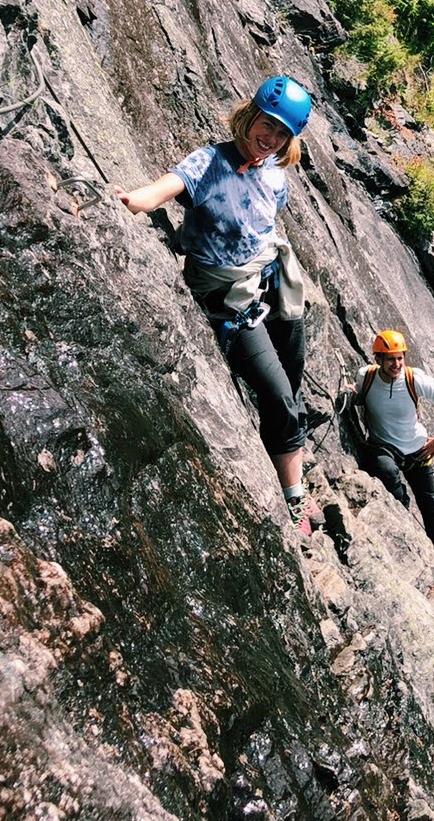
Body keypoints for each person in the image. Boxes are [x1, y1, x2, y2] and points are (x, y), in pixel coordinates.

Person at [116, 75, 318, 527]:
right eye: (266, 125)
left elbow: (263, 222)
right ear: (250, 115)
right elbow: (168, 186)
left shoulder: (275, 174)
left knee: (293, 378)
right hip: (229, 298)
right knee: (279, 393)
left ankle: (287, 447)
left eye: (282, 133)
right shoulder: (211, 161)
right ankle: (294, 496)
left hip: (269, 280)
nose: (270, 138)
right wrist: (136, 199)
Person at [353, 330, 434, 566]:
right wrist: (353, 395)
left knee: (430, 505)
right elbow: (361, 396)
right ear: (378, 359)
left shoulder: (413, 379)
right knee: (386, 470)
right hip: (384, 446)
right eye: (391, 359)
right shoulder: (366, 377)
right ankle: (401, 506)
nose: (397, 364)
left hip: (417, 449)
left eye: (400, 358)